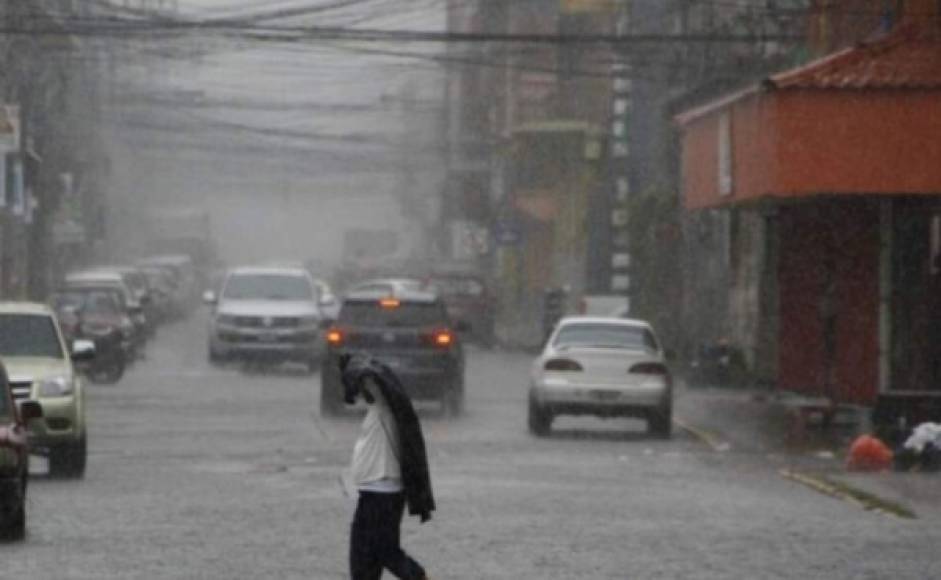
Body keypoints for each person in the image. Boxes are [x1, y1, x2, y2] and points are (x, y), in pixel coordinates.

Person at [340, 353, 435, 580]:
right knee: (362, 556)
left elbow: (371, 375)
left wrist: (353, 368)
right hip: (372, 492)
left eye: (363, 387)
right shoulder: (377, 411)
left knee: (384, 550)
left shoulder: (385, 406)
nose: (362, 392)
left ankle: (420, 577)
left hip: (383, 493)